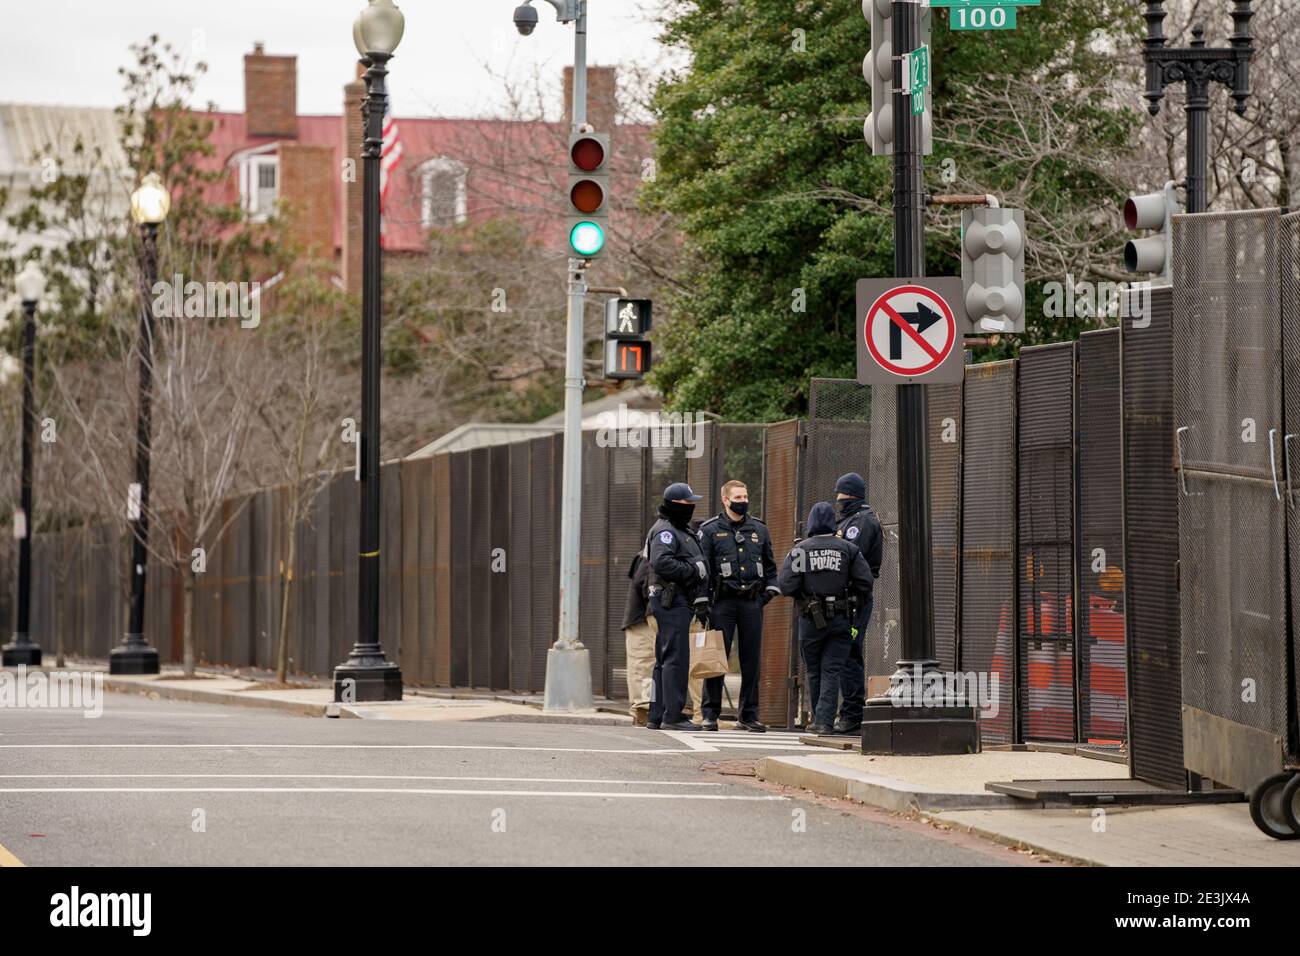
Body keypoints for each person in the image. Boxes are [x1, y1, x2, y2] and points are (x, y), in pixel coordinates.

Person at [778, 501, 874, 735]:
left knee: (814, 670)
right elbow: (865, 582)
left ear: (810, 523)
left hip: (811, 619)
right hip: (841, 619)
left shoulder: (801, 550)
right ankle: (825, 721)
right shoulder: (848, 550)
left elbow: (786, 585)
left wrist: (806, 590)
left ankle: (819, 720)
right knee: (832, 670)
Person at [698, 480, 779, 732]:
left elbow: (770, 567)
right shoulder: (710, 531)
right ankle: (710, 714)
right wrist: (702, 602)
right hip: (722, 603)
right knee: (716, 659)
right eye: (738, 497)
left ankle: (748, 715)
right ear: (725, 499)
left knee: (751, 660)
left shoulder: (759, 529)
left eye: (745, 496)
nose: (743, 501)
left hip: (751, 604)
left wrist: (767, 594)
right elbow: (703, 570)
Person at [646, 482, 712, 731]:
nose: (691, 506)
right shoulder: (666, 531)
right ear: (675, 504)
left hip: (676, 600)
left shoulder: (679, 530)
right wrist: (693, 571)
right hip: (671, 600)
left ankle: (657, 714)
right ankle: (672, 715)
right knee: (675, 658)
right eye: (687, 503)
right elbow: (661, 562)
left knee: (665, 658)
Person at [832, 472, 883, 736]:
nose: (838, 500)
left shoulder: (861, 522)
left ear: (849, 495)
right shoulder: (851, 519)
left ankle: (851, 715)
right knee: (844, 654)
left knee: (849, 654)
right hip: (847, 599)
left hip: (855, 600)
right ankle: (848, 712)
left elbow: (850, 557)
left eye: (841, 495)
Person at [621, 546, 655, 726]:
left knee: (646, 665)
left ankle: (645, 707)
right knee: (644, 664)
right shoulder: (650, 554)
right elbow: (643, 583)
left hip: (643, 617)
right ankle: (643, 708)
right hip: (641, 620)